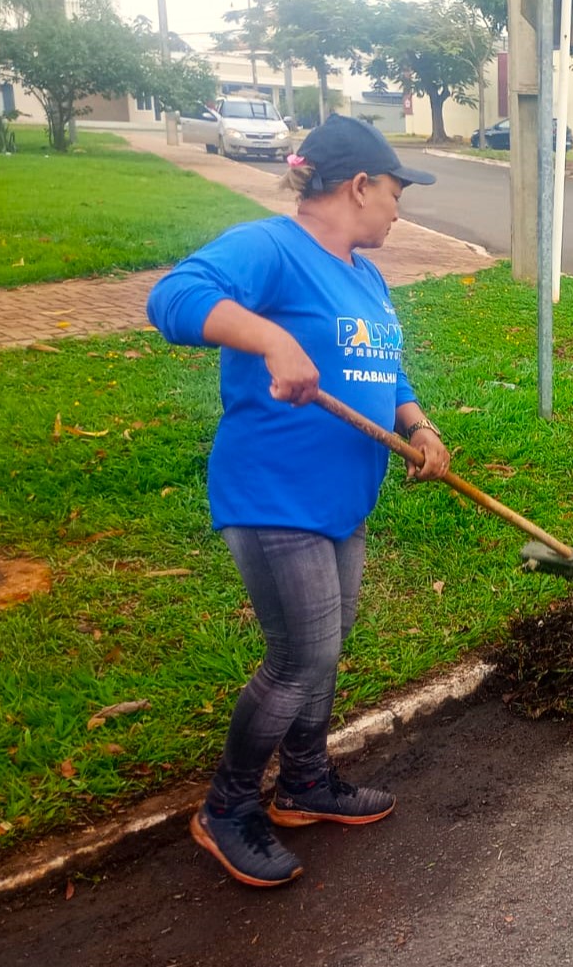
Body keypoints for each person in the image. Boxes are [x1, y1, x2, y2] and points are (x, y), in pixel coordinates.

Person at [146, 114, 451, 888]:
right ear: (358, 186)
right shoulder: (271, 248)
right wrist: (272, 342)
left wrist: (418, 424)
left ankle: (306, 784)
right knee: (300, 655)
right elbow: (173, 298)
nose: (398, 207)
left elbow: (387, 367)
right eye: (395, 191)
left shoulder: (366, 276)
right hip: (274, 493)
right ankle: (227, 807)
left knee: (329, 642)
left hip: (341, 498)